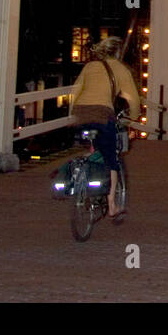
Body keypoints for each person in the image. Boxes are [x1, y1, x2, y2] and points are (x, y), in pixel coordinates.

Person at [67, 37, 142, 217]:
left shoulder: (90, 66)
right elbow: (133, 99)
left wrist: (72, 113)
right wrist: (134, 116)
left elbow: (75, 90)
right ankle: (112, 205)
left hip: (81, 114)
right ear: (117, 53)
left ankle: (81, 168)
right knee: (111, 159)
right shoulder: (121, 70)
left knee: (93, 145)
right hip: (101, 115)